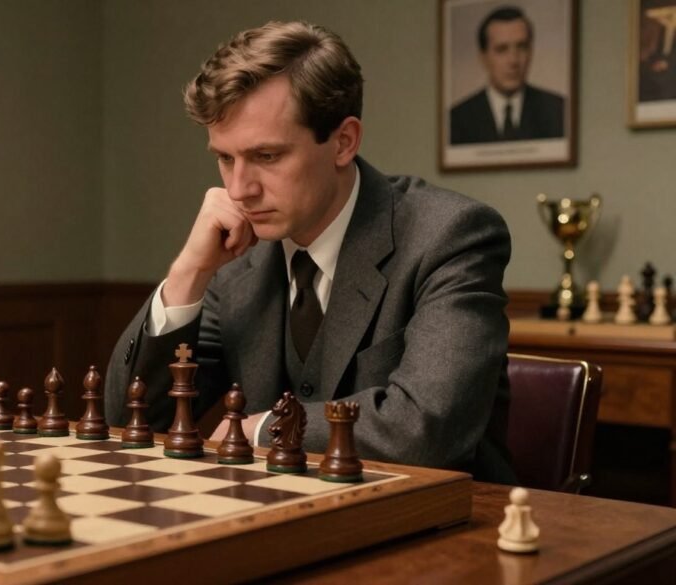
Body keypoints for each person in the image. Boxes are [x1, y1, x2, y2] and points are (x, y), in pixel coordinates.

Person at [104, 21, 516, 483]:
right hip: (283, 523)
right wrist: (188, 272)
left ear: (343, 142)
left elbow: (428, 430)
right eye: (225, 158)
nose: (239, 189)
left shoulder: (450, 236)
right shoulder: (239, 260)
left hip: (440, 528)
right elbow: (130, 416)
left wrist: (264, 428)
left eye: (267, 156)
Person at [449, 6, 564, 145]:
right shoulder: (456, 119)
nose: (513, 61)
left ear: (531, 52)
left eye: (522, 47)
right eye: (502, 49)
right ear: (483, 57)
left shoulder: (558, 110)